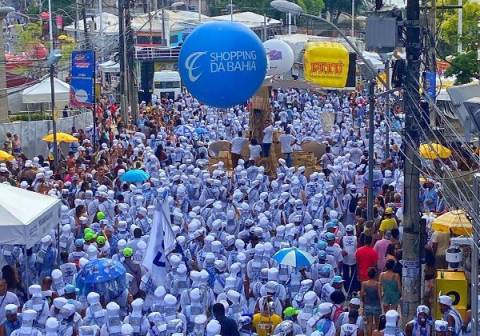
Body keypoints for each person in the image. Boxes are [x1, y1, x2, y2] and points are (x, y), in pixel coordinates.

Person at [361, 268, 381, 336]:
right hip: (376, 305)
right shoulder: (377, 284)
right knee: (377, 323)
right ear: (375, 275)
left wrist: (363, 303)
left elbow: (362, 294)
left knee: (369, 323)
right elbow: (379, 296)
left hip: (367, 305)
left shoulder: (364, 283)